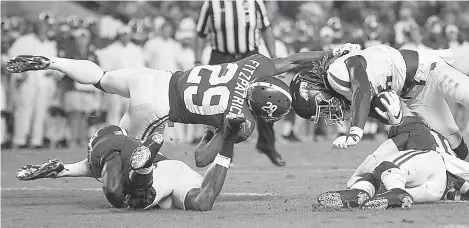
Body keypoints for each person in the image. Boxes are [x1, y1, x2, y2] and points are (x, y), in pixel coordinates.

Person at [5, 44, 357, 167]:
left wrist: (332, 53)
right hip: (159, 110)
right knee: (121, 151)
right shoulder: (243, 119)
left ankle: (52, 61)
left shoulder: (257, 65)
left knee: (100, 77)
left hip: (156, 78)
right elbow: (201, 159)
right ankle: (72, 165)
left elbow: (295, 59)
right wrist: (222, 134)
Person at [290, 44, 469, 160]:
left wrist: (356, 131)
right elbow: (380, 109)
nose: (329, 112)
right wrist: (393, 116)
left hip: (428, 69)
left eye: (323, 107)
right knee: (452, 140)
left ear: (317, 91)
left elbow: (363, 87)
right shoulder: (346, 98)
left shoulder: (336, 73)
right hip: (414, 96)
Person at [15, 119, 243, 211]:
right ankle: (227, 143)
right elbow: (78, 169)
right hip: (175, 169)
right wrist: (59, 170)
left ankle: (143, 170)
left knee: (133, 200)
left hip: (156, 176)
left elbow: (112, 191)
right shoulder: (122, 148)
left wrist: (119, 201)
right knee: (203, 201)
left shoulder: (105, 149)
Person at [317, 91, 469, 209]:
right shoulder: (432, 133)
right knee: (386, 188)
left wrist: (355, 179)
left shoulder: (412, 127)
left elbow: (379, 155)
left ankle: (361, 191)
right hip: (438, 186)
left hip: (433, 170)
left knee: (383, 166)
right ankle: (387, 195)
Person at [193, 0, 284, 166]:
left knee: (265, 96)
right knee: (221, 104)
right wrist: (197, 60)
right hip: (222, 57)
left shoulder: (255, 2)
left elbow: (266, 28)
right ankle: (224, 150)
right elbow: (200, 33)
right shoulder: (212, 4)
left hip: (249, 55)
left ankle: (267, 144)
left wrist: (273, 56)